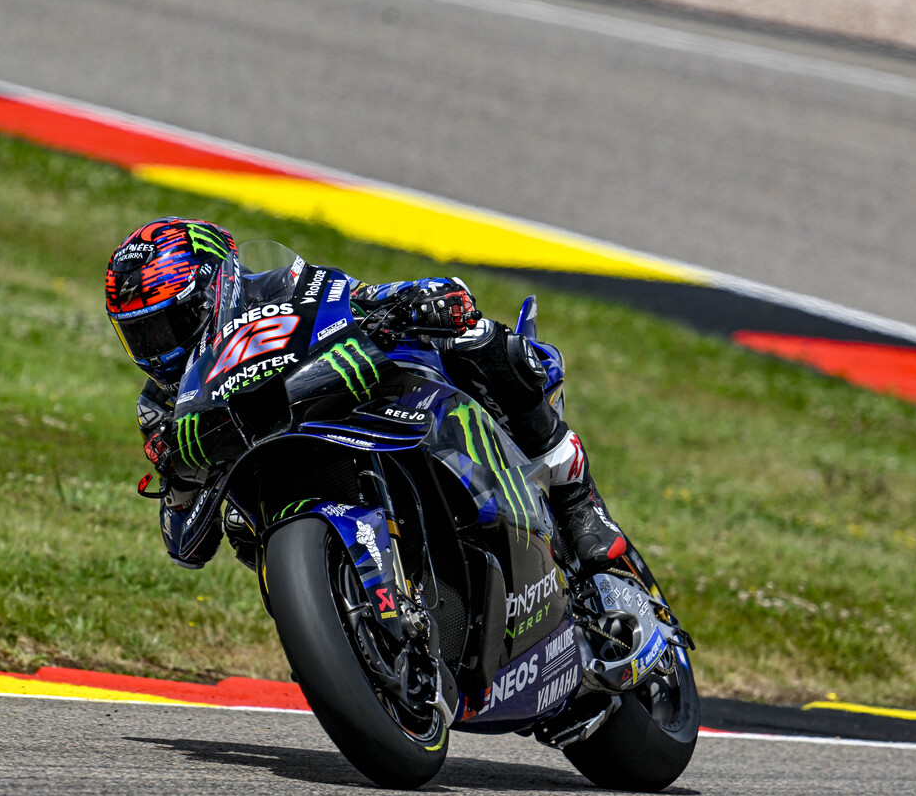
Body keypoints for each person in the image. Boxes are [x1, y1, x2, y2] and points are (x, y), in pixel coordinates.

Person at [105, 217, 629, 574]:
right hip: (285, 503)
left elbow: (356, 296)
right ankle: (345, 624)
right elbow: (186, 548)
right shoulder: (162, 407)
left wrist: (414, 300)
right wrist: (178, 474)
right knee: (242, 524)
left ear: (213, 289)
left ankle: (575, 496)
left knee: (471, 335)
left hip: (347, 404)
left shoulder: (281, 286)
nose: (158, 349)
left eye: (167, 325)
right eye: (141, 335)